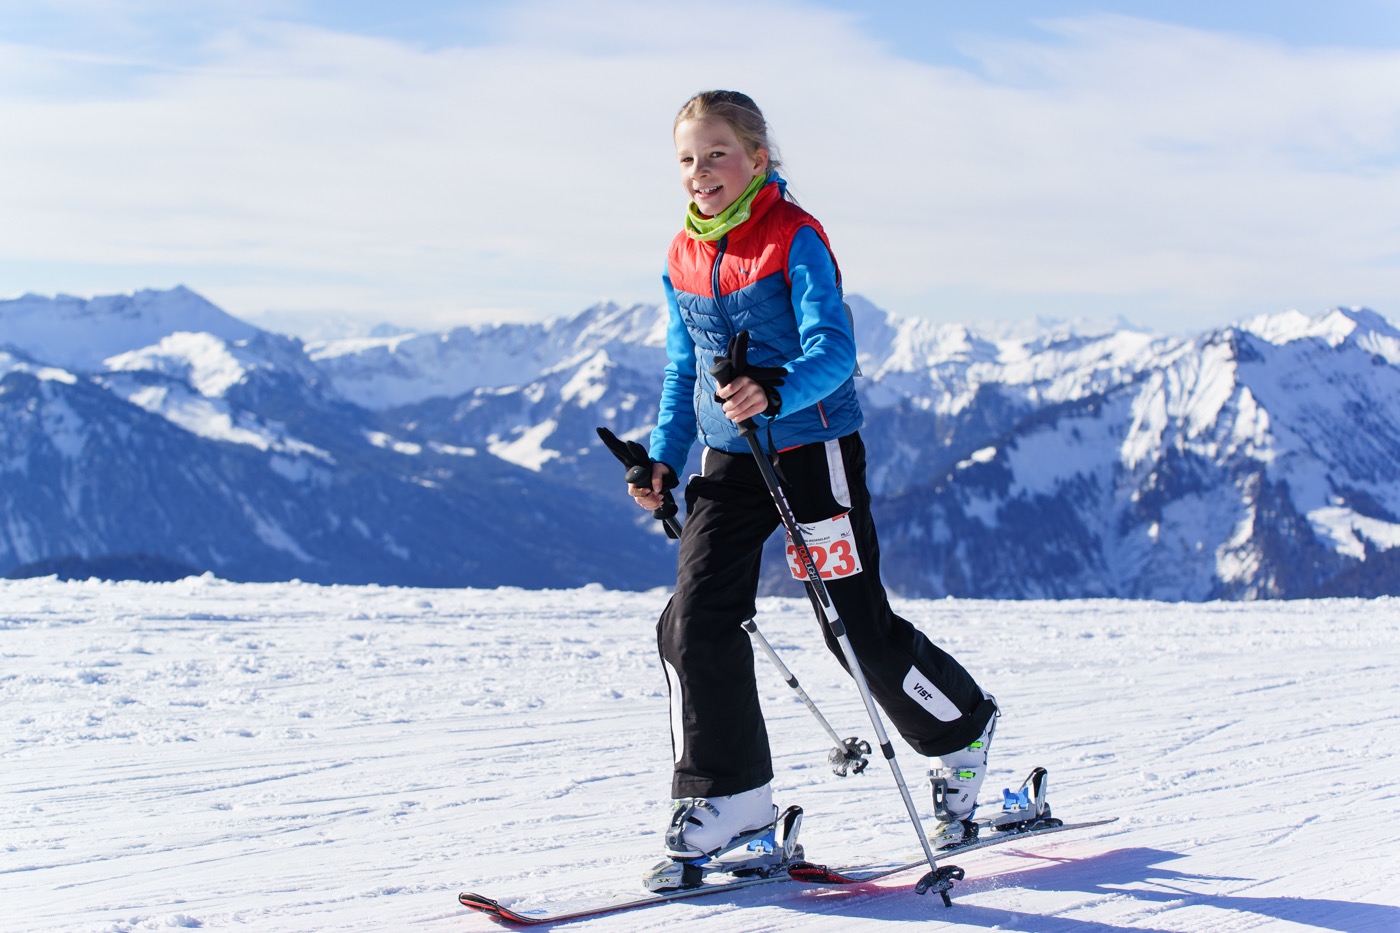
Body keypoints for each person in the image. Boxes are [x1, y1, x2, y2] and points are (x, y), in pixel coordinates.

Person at [628, 90, 998, 860]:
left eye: (718, 153)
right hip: (730, 455)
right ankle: (732, 799)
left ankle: (961, 728)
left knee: (852, 629)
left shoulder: (794, 237)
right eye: (688, 158)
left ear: (758, 158)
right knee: (692, 618)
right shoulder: (682, 254)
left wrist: (775, 390)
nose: (700, 171)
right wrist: (662, 455)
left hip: (813, 450)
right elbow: (683, 369)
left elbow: (836, 351)